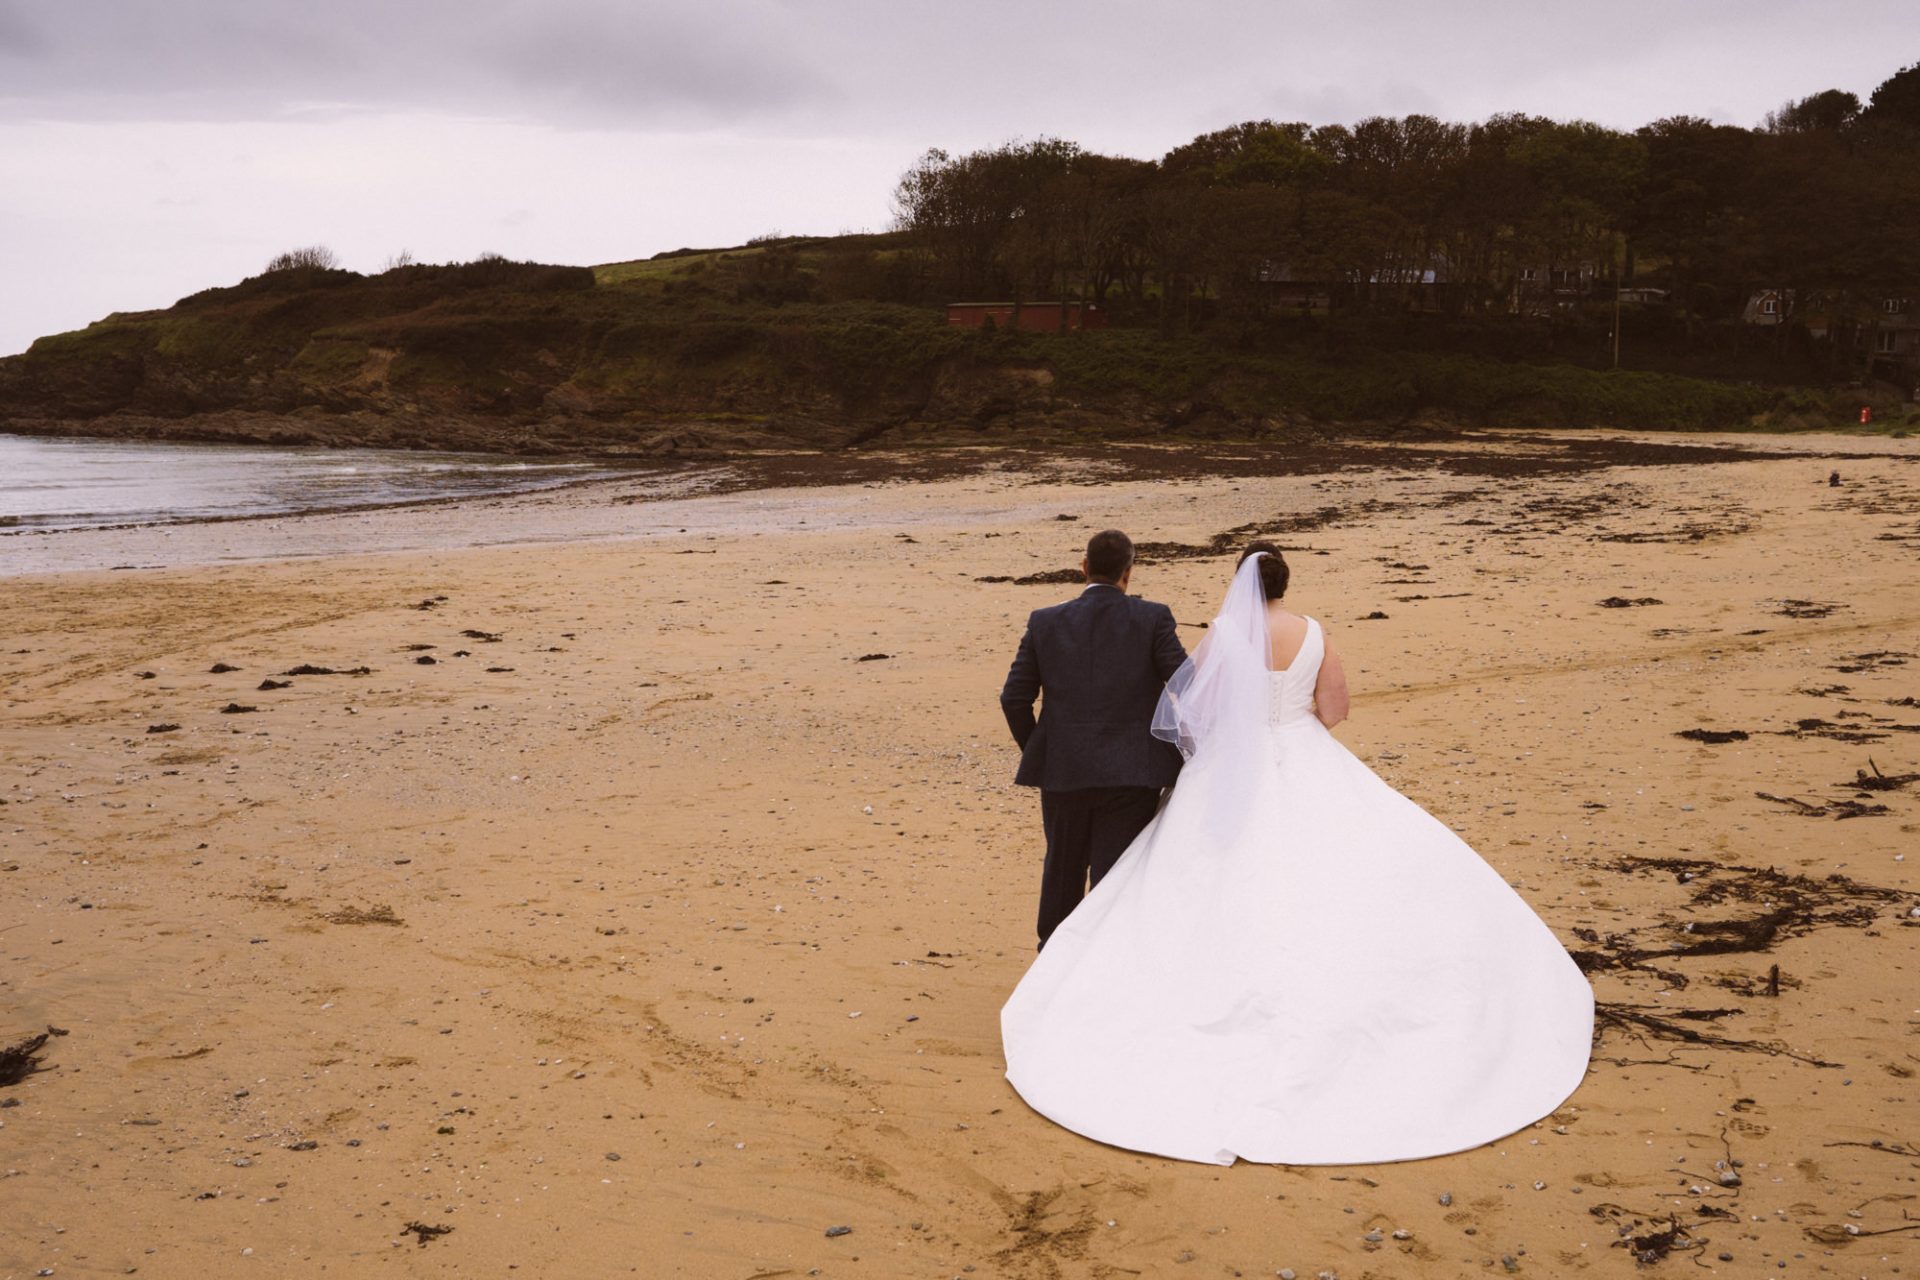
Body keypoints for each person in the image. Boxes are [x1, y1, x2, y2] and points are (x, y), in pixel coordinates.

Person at [1000, 544, 1593, 1165]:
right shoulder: (1314, 632)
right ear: (1285, 583)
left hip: (1220, 772)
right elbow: (1334, 710)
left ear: (1240, 585)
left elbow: (1189, 701)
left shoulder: (1225, 633)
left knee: (1171, 882)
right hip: (1302, 752)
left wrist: (1219, 742)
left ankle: (1080, 976)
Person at [1000, 529, 1188, 949]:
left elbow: (1014, 698)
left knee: (1062, 872)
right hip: (1131, 774)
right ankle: (1102, 966)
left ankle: (1052, 963)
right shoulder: (1152, 618)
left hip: (1064, 771)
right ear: (1129, 572)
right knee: (1115, 879)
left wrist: (1042, 750)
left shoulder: (1045, 621)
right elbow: (1187, 684)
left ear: (1084, 567)